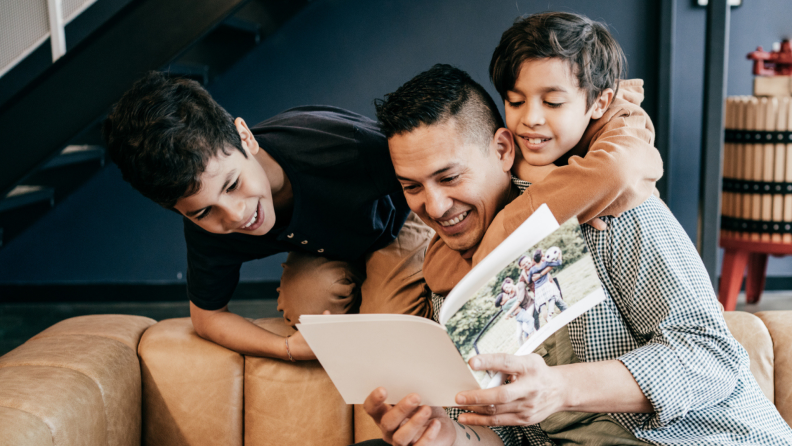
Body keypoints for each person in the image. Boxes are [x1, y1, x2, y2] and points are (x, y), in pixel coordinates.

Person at [361, 61, 792, 445]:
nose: (433, 207)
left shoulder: (603, 212)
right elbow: (508, 436)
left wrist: (561, 388)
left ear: (503, 149)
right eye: (412, 187)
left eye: (450, 177)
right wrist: (446, 435)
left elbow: (711, 355)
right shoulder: (449, 285)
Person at [103, 72, 433, 361]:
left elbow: (431, 175)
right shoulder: (206, 227)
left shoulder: (338, 144)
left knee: (391, 334)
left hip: (400, 217)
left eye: (232, 184)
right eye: (204, 211)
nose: (235, 216)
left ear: (245, 138)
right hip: (337, 244)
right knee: (307, 302)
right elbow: (207, 317)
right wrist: (286, 348)